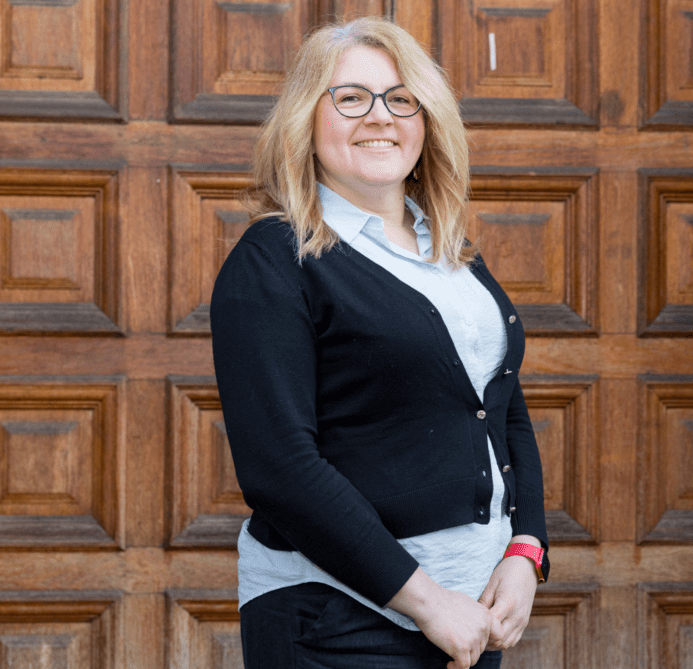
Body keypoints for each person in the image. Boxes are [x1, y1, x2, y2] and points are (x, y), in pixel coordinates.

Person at [209, 16, 549, 669]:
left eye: (401, 98)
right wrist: (426, 602)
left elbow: (503, 410)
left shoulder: (453, 256)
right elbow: (279, 467)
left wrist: (525, 549)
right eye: (351, 97)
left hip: (472, 613)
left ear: (426, 119)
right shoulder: (274, 259)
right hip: (338, 621)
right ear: (306, 119)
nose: (380, 117)